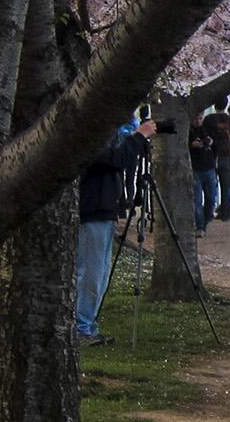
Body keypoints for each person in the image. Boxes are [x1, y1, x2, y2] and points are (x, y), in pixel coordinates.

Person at [76, 120, 154, 346]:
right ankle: (81, 327)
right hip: (93, 209)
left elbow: (119, 157)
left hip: (104, 209)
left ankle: (87, 324)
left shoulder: (100, 133)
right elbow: (116, 158)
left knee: (99, 272)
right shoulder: (89, 134)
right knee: (90, 272)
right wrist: (139, 137)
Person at [203, 100, 230, 220]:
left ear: (215, 105)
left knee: (209, 186)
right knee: (226, 186)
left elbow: (204, 137)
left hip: (210, 156)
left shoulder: (208, 119)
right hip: (226, 156)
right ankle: (225, 214)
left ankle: (208, 213)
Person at [189, 113, 218, 237]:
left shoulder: (207, 129)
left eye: (200, 118)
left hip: (209, 168)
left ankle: (205, 222)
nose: (198, 121)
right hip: (196, 169)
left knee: (211, 198)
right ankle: (200, 226)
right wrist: (192, 145)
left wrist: (209, 142)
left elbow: (216, 143)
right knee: (197, 200)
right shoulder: (188, 131)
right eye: (196, 118)